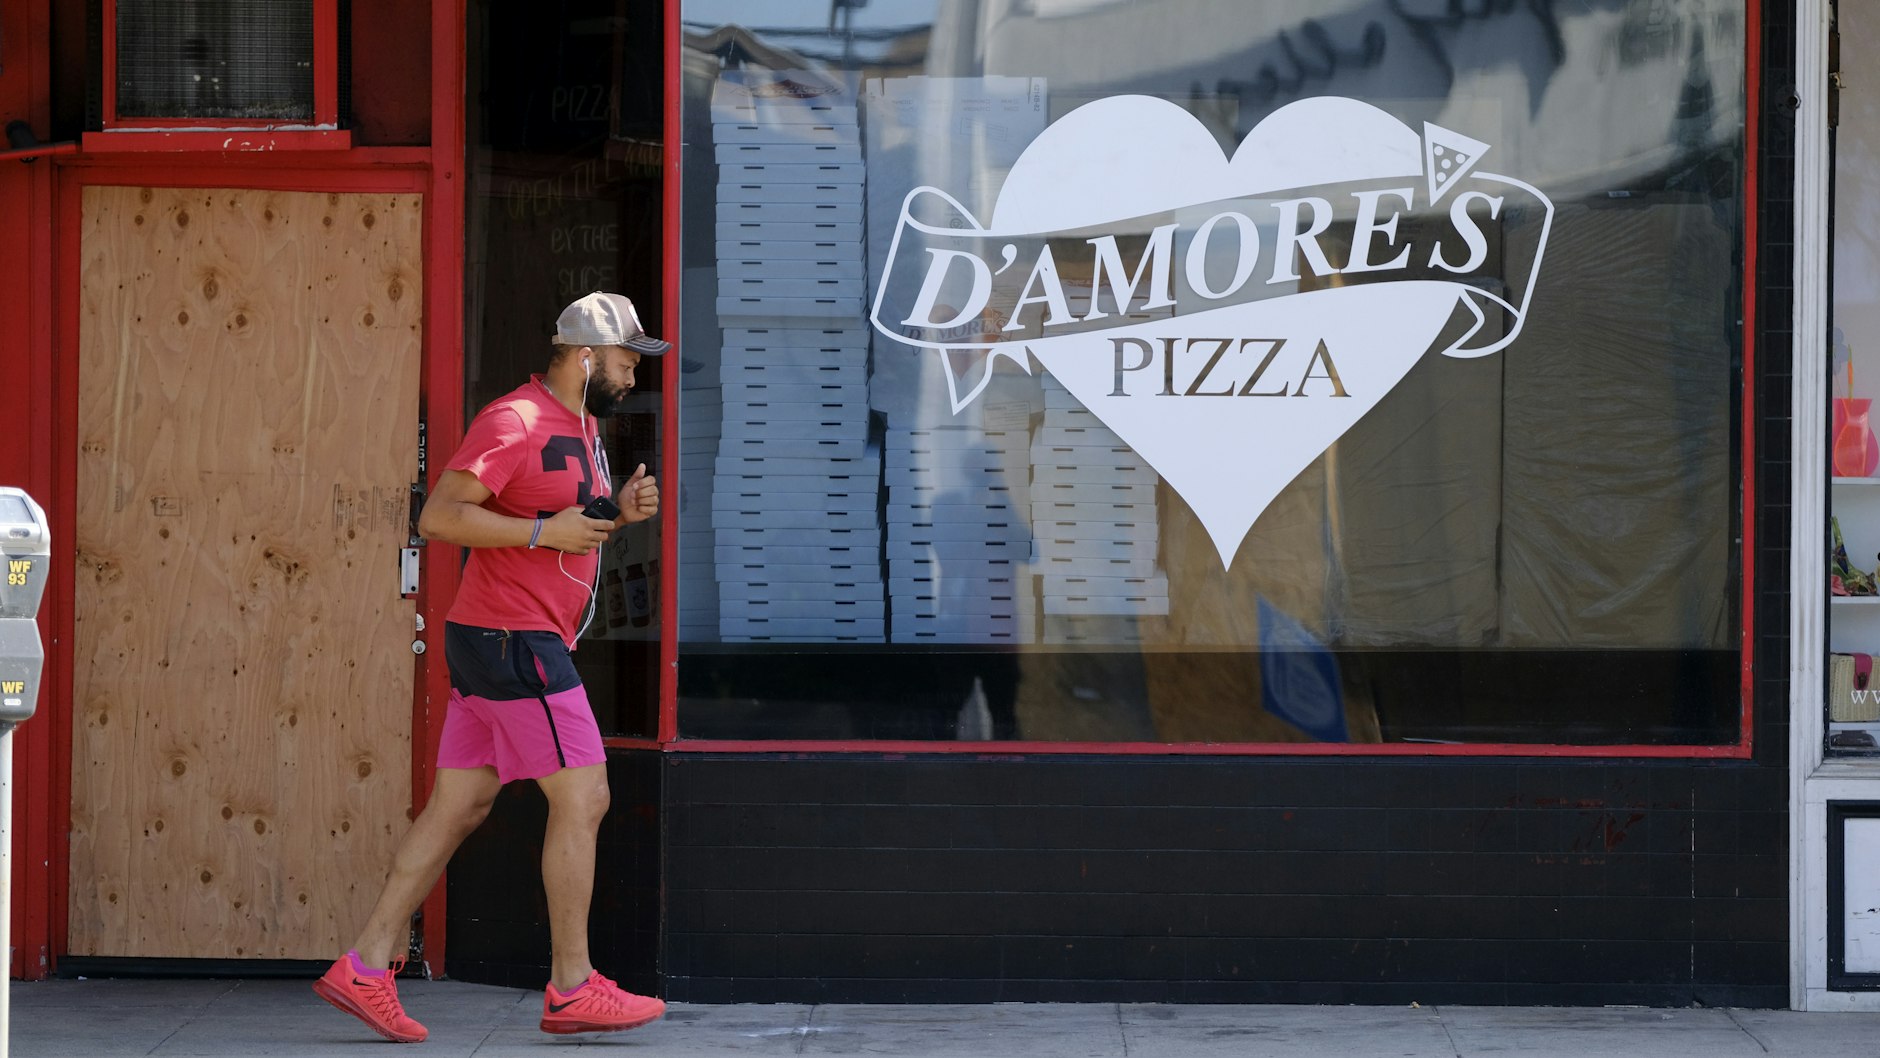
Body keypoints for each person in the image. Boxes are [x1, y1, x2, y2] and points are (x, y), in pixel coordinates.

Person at [313, 291, 670, 1043]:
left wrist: (620, 510)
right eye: (626, 358)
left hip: (500, 638)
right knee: (588, 795)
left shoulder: (581, 425)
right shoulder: (515, 421)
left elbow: (571, 522)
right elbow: (439, 514)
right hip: (513, 640)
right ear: (584, 357)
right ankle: (573, 987)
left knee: (460, 807)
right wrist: (545, 532)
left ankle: (367, 964)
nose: (635, 371)